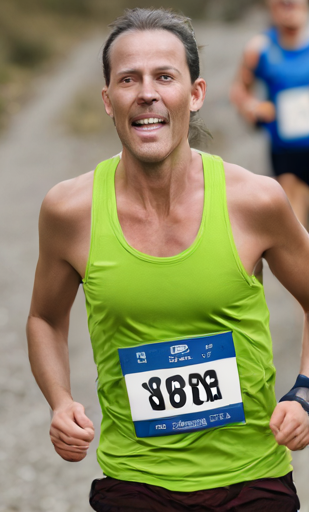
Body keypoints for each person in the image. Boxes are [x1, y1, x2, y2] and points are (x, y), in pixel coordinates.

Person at [27, 7, 309, 511]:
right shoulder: (69, 211)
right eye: (128, 79)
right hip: (134, 481)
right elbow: (45, 318)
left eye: (165, 76)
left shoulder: (255, 201)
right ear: (108, 100)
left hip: (252, 480)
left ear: (195, 94)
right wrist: (61, 401)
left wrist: (306, 392)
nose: (146, 93)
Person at [230, 0, 309, 228]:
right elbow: (239, 91)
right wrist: (253, 108)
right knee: (296, 230)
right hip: (287, 158)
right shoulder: (259, 48)